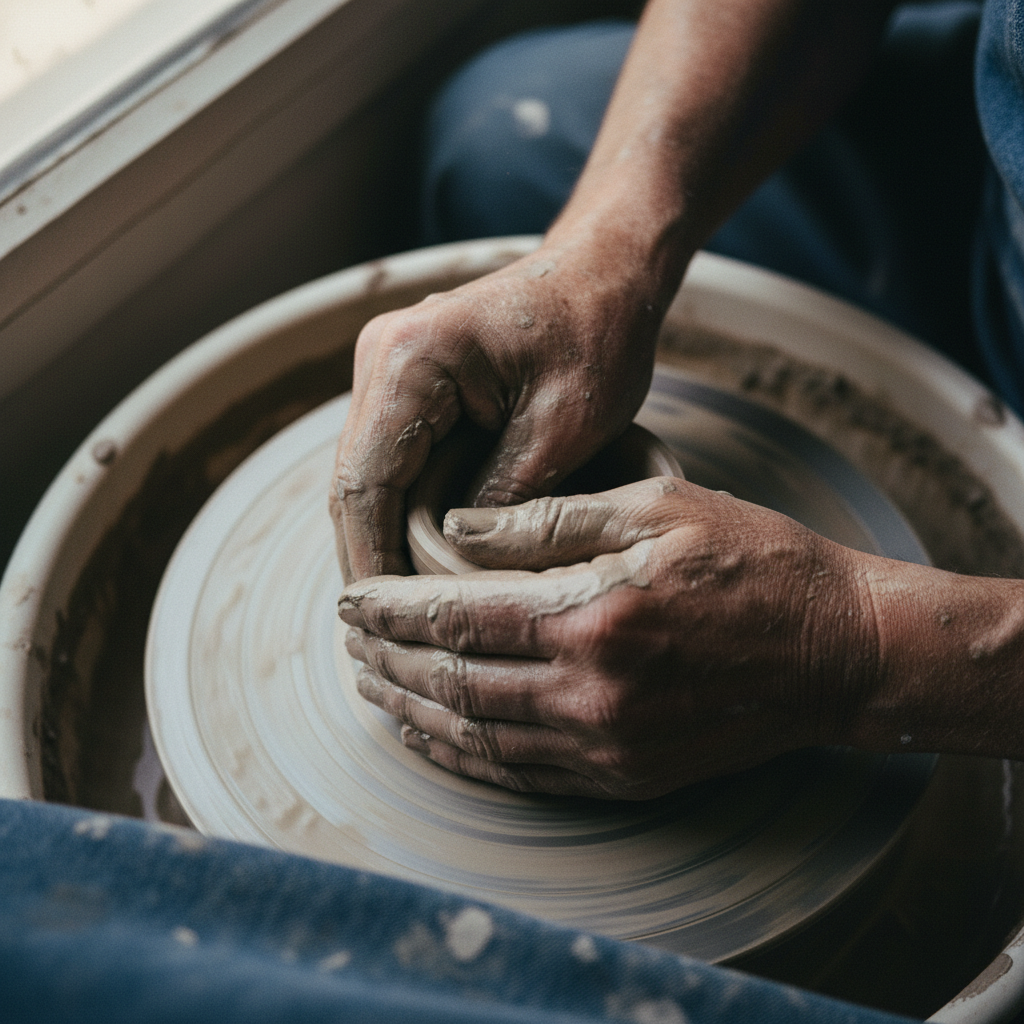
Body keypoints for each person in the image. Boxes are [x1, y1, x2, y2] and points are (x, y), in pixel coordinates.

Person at [332, 0, 1024, 800]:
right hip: (987, 193)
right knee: (504, 146)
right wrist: (608, 247)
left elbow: (857, 651)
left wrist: (851, 648)